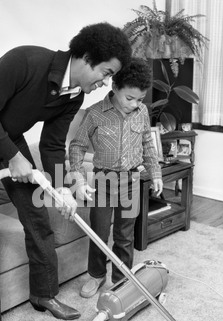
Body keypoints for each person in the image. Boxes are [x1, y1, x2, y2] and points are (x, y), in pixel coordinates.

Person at [0, 22, 132, 321]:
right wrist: (13, 156)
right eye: (105, 73)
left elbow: (51, 145)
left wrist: (62, 188)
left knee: (37, 214)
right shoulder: (25, 61)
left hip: (8, 132)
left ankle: (43, 294)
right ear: (86, 59)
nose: (104, 83)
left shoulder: (74, 94)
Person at [69, 57, 163, 298]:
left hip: (131, 182)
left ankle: (122, 280)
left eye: (140, 99)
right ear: (114, 88)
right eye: (129, 98)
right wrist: (78, 178)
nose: (134, 104)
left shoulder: (142, 112)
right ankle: (96, 275)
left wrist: (155, 173)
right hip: (103, 181)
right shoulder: (94, 114)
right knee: (99, 232)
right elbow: (77, 146)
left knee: (125, 235)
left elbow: (147, 144)